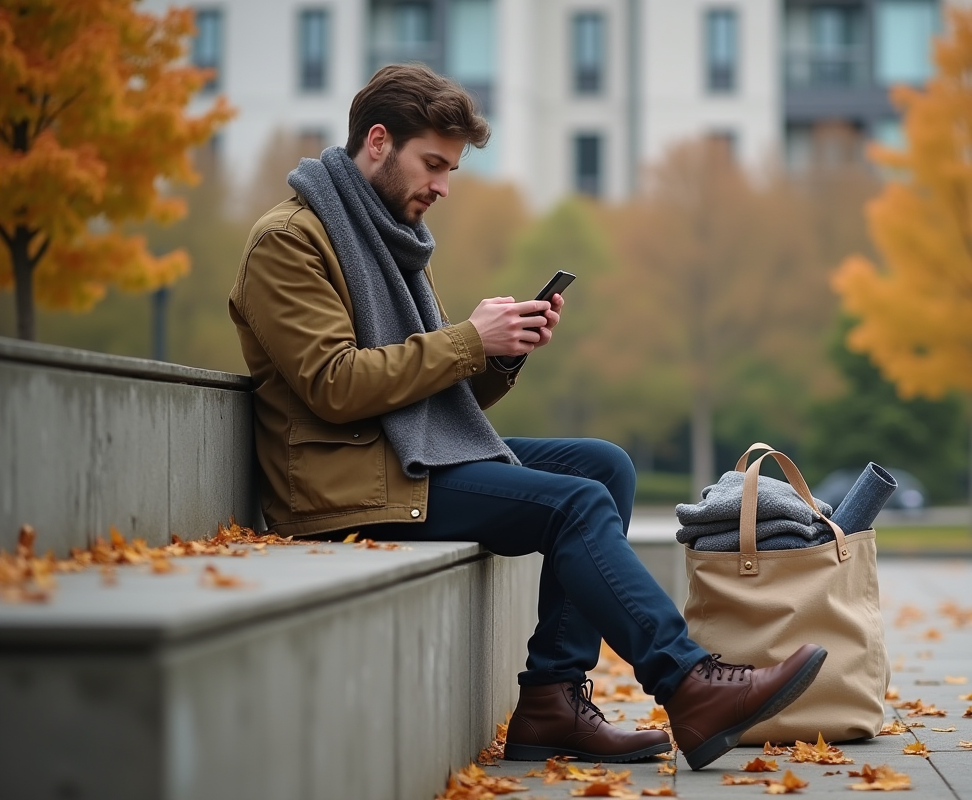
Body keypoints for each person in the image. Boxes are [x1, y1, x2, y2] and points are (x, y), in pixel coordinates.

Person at [229, 63, 826, 771]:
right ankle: (687, 681)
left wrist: (500, 356)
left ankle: (552, 700)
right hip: (343, 485)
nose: (443, 187)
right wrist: (465, 341)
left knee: (604, 465)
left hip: (401, 453)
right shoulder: (291, 241)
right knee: (574, 504)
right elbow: (334, 386)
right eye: (434, 164)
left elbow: (427, 395)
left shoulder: (384, 236)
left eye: (450, 169)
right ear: (378, 142)